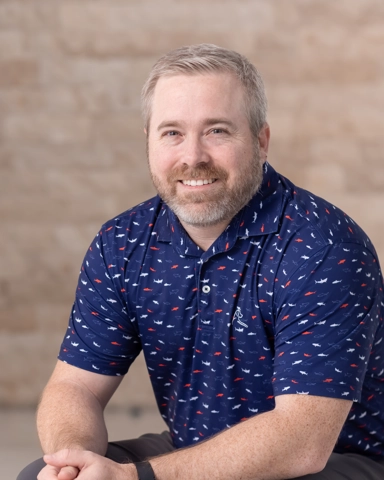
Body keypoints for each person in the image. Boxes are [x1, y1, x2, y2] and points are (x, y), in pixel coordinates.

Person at [18, 44, 384, 480]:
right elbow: (74, 387)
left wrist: (134, 477)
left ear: (261, 141)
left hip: (335, 462)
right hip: (193, 449)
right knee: (39, 474)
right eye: (172, 132)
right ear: (149, 142)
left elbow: (302, 441)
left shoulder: (322, 245)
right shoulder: (122, 243)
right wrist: (72, 461)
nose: (192, 156)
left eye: (217, 131)